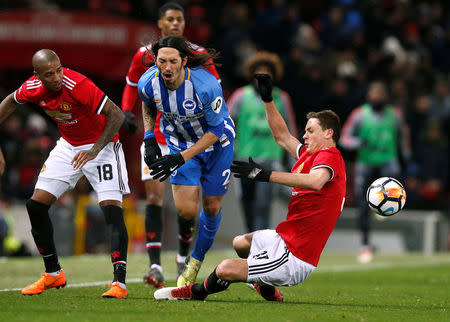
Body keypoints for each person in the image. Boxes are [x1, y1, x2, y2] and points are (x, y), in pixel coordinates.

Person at [153, 73, 346, 302]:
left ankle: (193, 293)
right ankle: (266, 288)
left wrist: (266, 175)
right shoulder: (309, 156)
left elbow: (315, 182)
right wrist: (267, 99)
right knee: (241, 243)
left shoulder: (331, 156)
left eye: (310, 131)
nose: (304, 136)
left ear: (328, 133)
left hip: (296, 255)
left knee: (225, 269)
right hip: (285, 239)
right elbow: (282, 136)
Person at [0, 49, 130, 298]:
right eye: (50, 74)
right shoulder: (32, 87)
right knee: (35, 206)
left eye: (59, 69)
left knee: (111, 209)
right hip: (69, 146)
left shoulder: (78, 84)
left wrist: (95, 150)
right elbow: (9, 101)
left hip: (102, 146)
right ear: (37, 75)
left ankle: (119, 283)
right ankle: (53, 273)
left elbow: (117, 115)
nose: (57, 76)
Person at [120, 2, 220, 288]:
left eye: (180, 19)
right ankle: (154, 267)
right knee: (153, 197)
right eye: (170, 19)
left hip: (186, 141)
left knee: (185, 208)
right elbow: (131, 85)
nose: (175, 24)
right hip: (157, 138)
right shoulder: (145, 56)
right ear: (160, 24)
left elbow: (213, 91)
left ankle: (181, 256)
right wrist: (127, 110)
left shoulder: (197, 55)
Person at [138, 35, 234, 288]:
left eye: (172, 61)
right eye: (161, 62)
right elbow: (147, 105)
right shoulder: (148, 82)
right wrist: (149, 137)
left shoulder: (206, 85)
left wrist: (181, 157)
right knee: (187, 211)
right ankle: (186, 252)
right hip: (179, 143)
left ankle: (194, 261)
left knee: (211, 207)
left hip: (216, 146)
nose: (166, 67)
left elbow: (217, 130)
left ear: (183, 61)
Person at [339, 81, 410, 263]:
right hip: (366, 162)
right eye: (374, 92)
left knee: (394, 188)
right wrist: (358, 143)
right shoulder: (359, 114)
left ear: (385, 96)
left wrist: (406, 155)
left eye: (380, 92)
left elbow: (403, 136)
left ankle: (382, 208)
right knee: (362, 205)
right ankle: (364, 244)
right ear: (369, 95)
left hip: (388, 162)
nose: (377, 96)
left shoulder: (395, 115)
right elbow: (345, 137)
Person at [228, 51, 296, 232]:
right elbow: (226, 125)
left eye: (268, 72)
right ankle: (250, 243)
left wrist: (294, 163)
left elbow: (290, 130)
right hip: (244, 160)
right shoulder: (241, 96)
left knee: (263, 205)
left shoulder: (282, 98)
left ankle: (259, 245)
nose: (263, 76)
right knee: (247, 205)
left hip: (270, 161)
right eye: (260, 72)